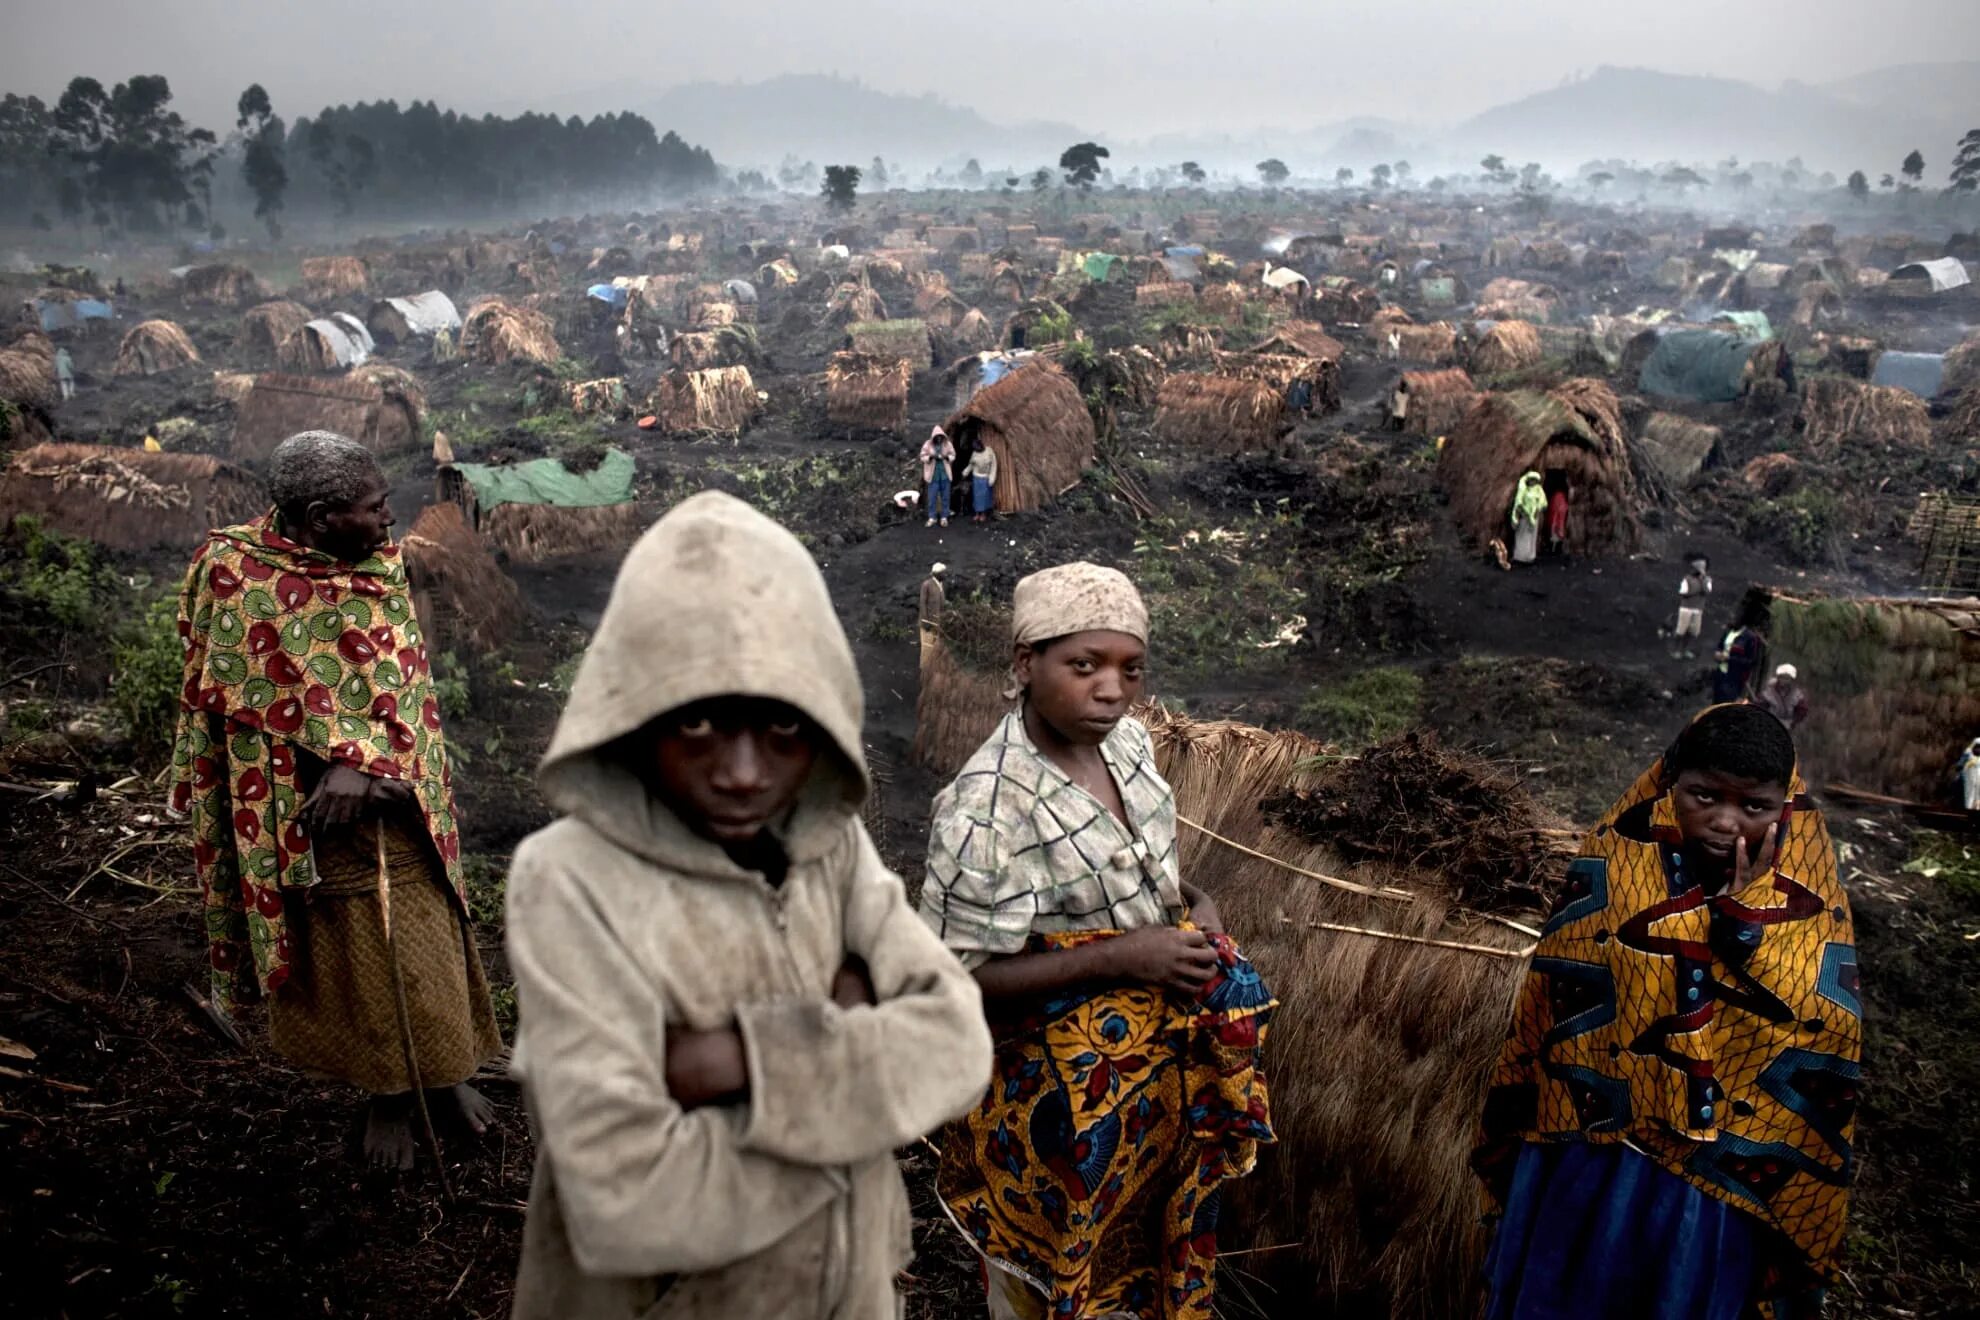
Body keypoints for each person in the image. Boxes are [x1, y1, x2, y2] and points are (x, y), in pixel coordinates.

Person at [504, 492, 993, 1320]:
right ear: (634, 716)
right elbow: (627, 1197)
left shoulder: (829, 851)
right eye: (696, 723)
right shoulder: (569, 881)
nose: (740, 772)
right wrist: (860, 1090)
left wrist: (737, 1061)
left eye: (781, 731)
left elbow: (957, 1041)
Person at [920, 562, 1275, 1320]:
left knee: (1138, 1273)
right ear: (1026, 664)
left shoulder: (1130, 753)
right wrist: (1127, 956)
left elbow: (1145, 875)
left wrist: (1195, 910)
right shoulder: (987, 808)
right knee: (1043, 1289)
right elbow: (955, 979)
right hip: (1051, 1116)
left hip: (1144, 1102)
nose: (1112, 689)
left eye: (1130, 669)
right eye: (1084, 666)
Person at [171, 430, 499, 1170]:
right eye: (374, 508)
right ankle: (386, 1095)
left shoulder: (372, 565)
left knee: (427, 928)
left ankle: (446, 1076)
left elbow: (397, 688)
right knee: (356, 950)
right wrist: (325, 769)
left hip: (400, 802)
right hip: (306, 812)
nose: (390, 521)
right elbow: (227, 695)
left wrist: (374, 765)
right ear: (319, 517)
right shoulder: (236, 576)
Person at [1474, 703, 1860, 1319]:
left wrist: (1745, 929)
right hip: (1593, 1153)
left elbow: (1819, 1028)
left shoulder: (1811, 914)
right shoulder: (1617, 869)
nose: (1725, 823)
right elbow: (1563, 997)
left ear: (1786, 810)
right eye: (1703, 796)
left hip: (1711, 1191)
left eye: (1753, 808)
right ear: (1669, 785)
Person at [1715, 616, 1766, 704]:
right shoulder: (1728, 631)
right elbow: (1720, 646)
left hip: (1735, 678)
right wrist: (1718, 653)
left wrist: (1729, 659)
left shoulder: (1750, 638)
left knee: (1728, 703)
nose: (1731, 620)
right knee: (1717, 700)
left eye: (1735, 618)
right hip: (1721, 672)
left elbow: (1751, 661)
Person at [1672, 554, 1712, 658]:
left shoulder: (1707, 580)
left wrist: (1702, 581)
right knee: (1681, 630)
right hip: (1686, 608)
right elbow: (1683, 592)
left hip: (1698, 609)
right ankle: (1676, 650)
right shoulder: (1687, 579)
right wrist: (1696, 590)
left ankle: (1685, 650)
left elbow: (1707, 591)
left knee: (1693, 632)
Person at [921, 425, 956, 529]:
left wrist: (946, 457)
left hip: (945, 475)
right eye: (937, 437)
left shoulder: (947, 444)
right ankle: (932, 517)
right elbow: (922, 456)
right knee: (932, 497)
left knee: (945, 497)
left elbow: (953, 455)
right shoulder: (928, 444)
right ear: (934, 437)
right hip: (933, 476)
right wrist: (931, 457)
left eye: (941, 436)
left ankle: (944, 517)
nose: (939, 439)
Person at [1755, 663, 1810, 730]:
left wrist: (1793, 722)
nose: (1784, 680)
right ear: (1778, 677)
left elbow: (1803, 710)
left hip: (1786, 725)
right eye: (1782, 677)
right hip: (1769, 722)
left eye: (1787, 678)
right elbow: (1760, 705)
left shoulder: (1796, 694)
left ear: (1791, 680)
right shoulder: (1769, 691)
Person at [1510, 471, 1546, 564]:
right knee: (1522, 535)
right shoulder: (1523, 489)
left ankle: (1530, 557)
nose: (1532, 482)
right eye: (1531, 480)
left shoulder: (1539, 490)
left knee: (1532, 536)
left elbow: (1543, 502)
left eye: (1534, 480)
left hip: (1534, 517)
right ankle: (1520, 557)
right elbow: (1519, 502)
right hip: (1524, 517)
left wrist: (1537, 510)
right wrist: (1520, 512)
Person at [963, 441, 998, 524]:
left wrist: (992, 478)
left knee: (985, 497)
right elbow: (971, 464)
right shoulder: (975, 453)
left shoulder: (989, 451)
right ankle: (977, 513)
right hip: (976, 477)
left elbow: (994, 465)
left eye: (978, 447)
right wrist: (966, 471)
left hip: (985, 477)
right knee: (977, 497)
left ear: (981, 445)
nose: (977, 449)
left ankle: (983, 514)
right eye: (975, 448)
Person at [920, 561, 947, 628]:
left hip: (938, 622)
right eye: (944, 573)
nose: (946, 575)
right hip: (929, 624)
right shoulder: (927, 584)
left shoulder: (940, 584)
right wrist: (925, 621)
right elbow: (922, 603)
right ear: (937, 574)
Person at [1546, 484, 1569, 555]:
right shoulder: (1560, 497)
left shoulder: (1555, 497)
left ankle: (1554, 548)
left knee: (1554, 532)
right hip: (1559, 518)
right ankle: (1556, 548)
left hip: (1555, 518)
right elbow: (1562, 508)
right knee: (1557, 532)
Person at [1958, 737, 1980, 811]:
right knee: (1969, 796)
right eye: (1977, 747)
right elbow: (1960, 765)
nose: (1978, 749)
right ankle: (1968, 811)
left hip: (1978, 781)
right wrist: (1962, 765)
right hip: (1969, 780)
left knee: (1978, 797)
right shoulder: (1968, 753)